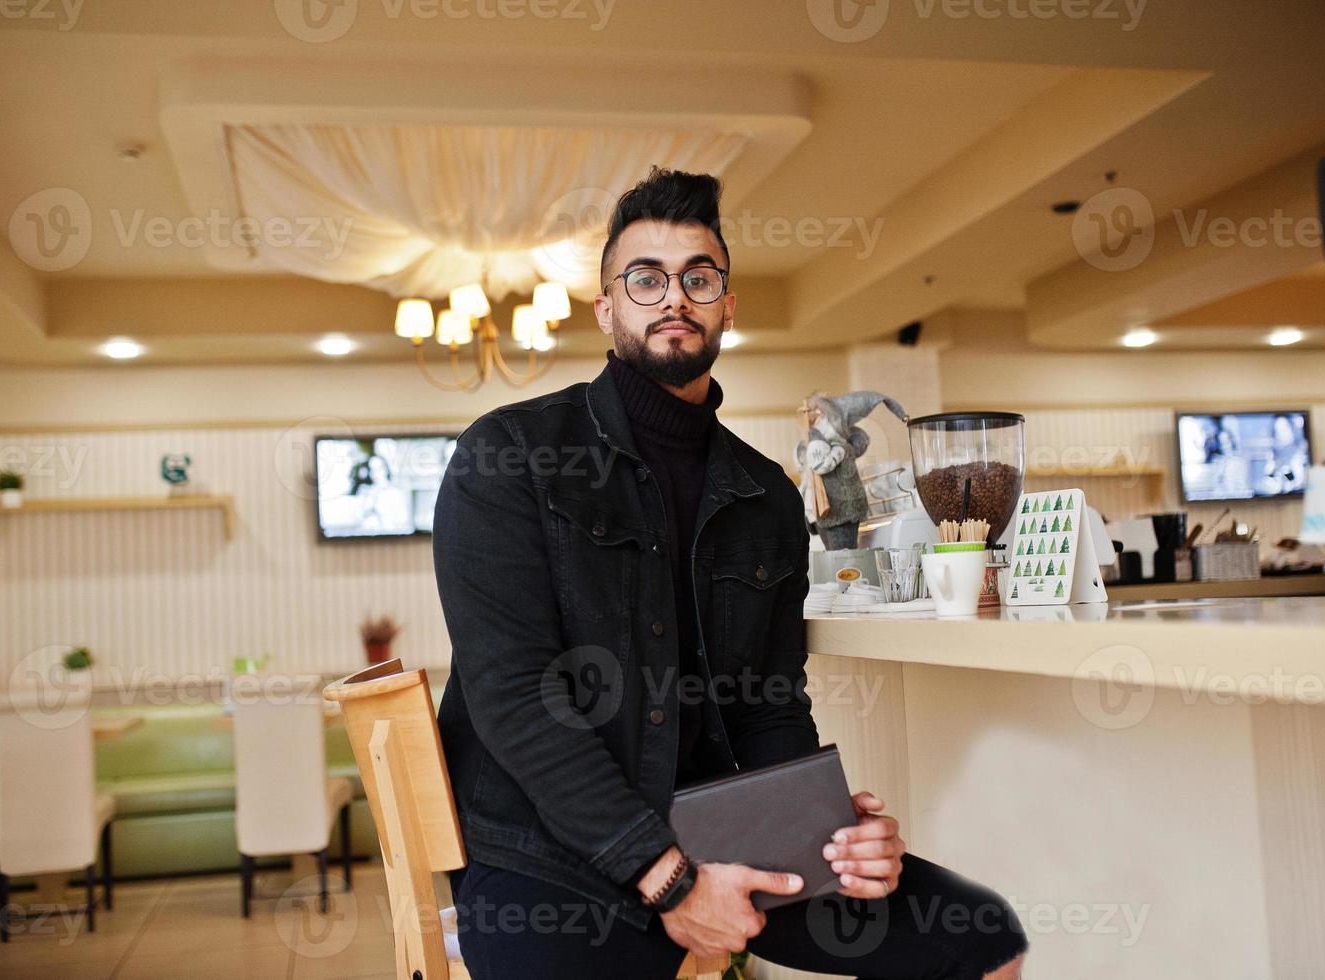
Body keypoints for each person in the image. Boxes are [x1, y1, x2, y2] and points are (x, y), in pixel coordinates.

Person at [432, 167, 1027, 979]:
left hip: (720, 833)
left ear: (726, 306)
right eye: (644, 278)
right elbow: (516, 699)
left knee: (979, 936)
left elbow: (768, 708)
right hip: (547, 855)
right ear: (606, 307)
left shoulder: (765, 496)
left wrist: (825, 831)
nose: (673, 297)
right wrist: (669, 881)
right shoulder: (508, 455)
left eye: (698, 278)